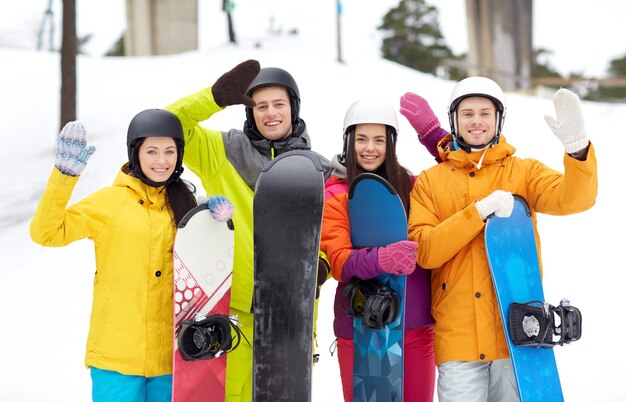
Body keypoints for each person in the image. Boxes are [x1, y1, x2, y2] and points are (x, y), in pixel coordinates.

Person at [407, 77, 598, 401]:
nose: (477, 121)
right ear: (454, 121)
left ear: (498, 119)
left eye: (485, 113)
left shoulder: (523, 172)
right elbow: (425, 251)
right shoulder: (430, 182)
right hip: (458, 341)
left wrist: (578, 151)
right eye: (467, 114)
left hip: (515, 336)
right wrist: (476, 213)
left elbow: (575, 199)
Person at [164, 59, 332, 401]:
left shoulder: (316, 170)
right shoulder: (221, 152)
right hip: (235, 317)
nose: (270, 113)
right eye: (261, 105)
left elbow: (327, 234)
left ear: (294, 108)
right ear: (249, 111)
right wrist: (213, 98)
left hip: (291, 319)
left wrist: (322, 263)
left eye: (279, 104)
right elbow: (168, 126)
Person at [29, 109, 198, 401]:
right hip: (117, 360)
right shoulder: (111, 202)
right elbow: (46, 232)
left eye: (170, 151)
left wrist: (214, 219)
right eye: (152, 151)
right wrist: (64, 177)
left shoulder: (184, 204)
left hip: (171, 359)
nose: (162, 161)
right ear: (136, 153)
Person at [320, 97, 447, 402]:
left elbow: (458, 172)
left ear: (391, 144)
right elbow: (339, 261)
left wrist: (434, 136)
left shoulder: (414, 187)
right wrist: (381, 259)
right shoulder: (336, 193)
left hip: (415, 326)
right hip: (361, 326)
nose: (370, 148)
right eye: (361, 139)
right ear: (348, 141)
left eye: (379, 140)